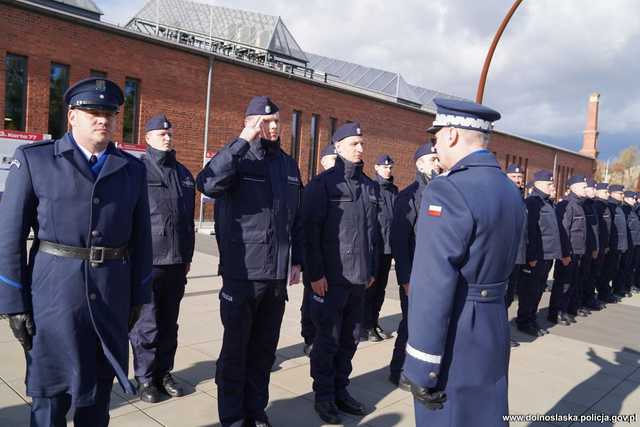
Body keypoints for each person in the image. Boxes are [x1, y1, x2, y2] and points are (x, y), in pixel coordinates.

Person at [0, 77, 152, 426]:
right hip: (54, 297)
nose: (103, 120)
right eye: (93, 112)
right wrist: (13, 303)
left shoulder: (131, 170)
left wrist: (139, 295)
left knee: (97, 398)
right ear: (71, 117)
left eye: (110, 113)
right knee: (50, 396)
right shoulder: (36, 160)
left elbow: (143, 238)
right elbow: (9, 236)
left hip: (111, 297)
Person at [404, 98, 525, 426]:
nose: (436, 145)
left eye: (437, 137)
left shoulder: (447, 190)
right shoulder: (508, 190)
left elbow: (433, 284)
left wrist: (421, 366)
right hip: (493, 324)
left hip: (458, 331)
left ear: (453, 135)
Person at [196, 96, 303, 427]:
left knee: (263, 353)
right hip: (242, 274)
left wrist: (296, 260)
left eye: (276, 121)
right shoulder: (237, 158)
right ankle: (232, 417)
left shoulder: (287, 164)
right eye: (265, 121)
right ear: (251, 122)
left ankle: (256, 412)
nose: (272, 127)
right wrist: (243, 140)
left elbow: (294, 217)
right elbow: (208, 183)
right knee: (235, 352)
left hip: (275, 277)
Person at [303, 122, 379, 425]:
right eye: (353, 143)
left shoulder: (369, 187)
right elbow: (310, 233)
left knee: (350, 340)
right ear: (337, 146)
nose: (360, 148)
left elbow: (373, 234)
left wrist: (372, 269)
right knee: (327, 341)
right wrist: (315, 274)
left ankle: (340, 390)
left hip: (359, 280)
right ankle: (323, 396)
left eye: (362, 143)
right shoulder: (322, 185)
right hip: (330, 281)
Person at [129, 114, 196, 403]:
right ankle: (144, 379)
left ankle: (163, 373)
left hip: (177, 261)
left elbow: (187, 221)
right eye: (160, 134)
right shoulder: (136, 171)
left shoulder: (183, 174)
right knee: (147, 324)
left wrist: (188, 256)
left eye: (169, 133)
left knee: (170, 323)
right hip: (148, 260)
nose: (166, 138)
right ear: (147, 138)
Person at [388, 141, 440, 389]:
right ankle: (398, 370)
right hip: (416, 275)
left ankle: (421, 371)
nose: (437, 164)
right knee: (410, 324)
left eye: (437, 159)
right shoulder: (409, 196)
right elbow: (399, 240)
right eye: (432, 159)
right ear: (419, 164)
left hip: (438, 275)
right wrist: (405, 279)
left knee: (430, 327)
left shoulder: (443, 192)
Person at [300, 143, 337, 356]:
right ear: (323, 162)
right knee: (311, 299)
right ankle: (310, 336)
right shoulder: (315, 186)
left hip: (333, 258)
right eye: (331, 160)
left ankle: (324, 335)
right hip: (314, 254)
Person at [519, 171, 564, 333]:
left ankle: (531, 318)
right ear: (538, 184)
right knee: (529, 291)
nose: (552, 187)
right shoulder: (532, 202)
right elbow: (530, 231)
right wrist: (531, 256)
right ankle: (524, 321)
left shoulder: (548, 203)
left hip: (548, 254)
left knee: (538, 289)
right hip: (536, 256)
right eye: (549, 184)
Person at [363, 153, 398, 342]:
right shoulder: (371, 188)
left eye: (390, 167)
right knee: (370, 289)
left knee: (381, 290)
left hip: (387, 249)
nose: (388, 170)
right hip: (374, 248)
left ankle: (373, 321)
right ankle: (365, 325)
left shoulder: (394, 191)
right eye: (384, 167)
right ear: (376, 168)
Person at [549, 176, 588, 325]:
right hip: (568, 253)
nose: (585, 189)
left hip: (577, 252)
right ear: (573, 187)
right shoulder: (567, 204)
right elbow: (563, 230)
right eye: (583, 186)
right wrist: (565, 254)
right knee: (562, 284)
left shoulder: (579, 204)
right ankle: (555, 312)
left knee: (570, 283)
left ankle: (563, 310)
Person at [504, 164, 527, 348]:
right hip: (505, 256)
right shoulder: (503, 196)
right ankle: (499, 337)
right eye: (514, 176)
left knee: (509, 297)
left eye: (520, 177)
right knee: (502, 299)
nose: (518, 180)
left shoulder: (520, 197)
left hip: (517, 255)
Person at [579, 178, 602, 312]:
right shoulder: (581, 205)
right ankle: (578, 303)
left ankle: (585, 300)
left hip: (591, 248)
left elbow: (596, 230)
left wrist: (596, 247)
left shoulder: (592, 205)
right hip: (582, 248)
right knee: (580, 278)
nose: (594, 191)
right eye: (591, 188)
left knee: (588, 276)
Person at [606, 185, 628, 301]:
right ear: (613, 193)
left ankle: (608, 291)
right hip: (612, 246)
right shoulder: (610, 207)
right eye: (620, 193)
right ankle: (604, 293)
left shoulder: (618, 207)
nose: (622, 196)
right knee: (607, 271)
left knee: (612, 270)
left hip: (618, 245)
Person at [593, 183, 614, 305]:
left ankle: (591, 297)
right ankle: (587, 298)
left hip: (603, 246)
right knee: (592, 274)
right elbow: (597, 229)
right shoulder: (597, 206)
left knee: (597, 272)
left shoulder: (604, 206)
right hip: (597, 246)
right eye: (605, 192)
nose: (607, 194)